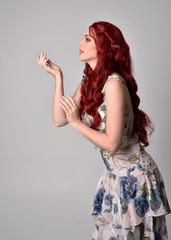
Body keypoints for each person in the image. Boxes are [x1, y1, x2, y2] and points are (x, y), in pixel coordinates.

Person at [37, 21, 171, 240]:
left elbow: (112, 143)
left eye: (87, 39)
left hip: (136, 179)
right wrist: (58, 77)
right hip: (114, 177)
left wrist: (77, 123)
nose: (80, 43)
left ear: (105, 47)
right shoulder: (89, 81)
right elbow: (59, 119)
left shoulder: (114, 84)